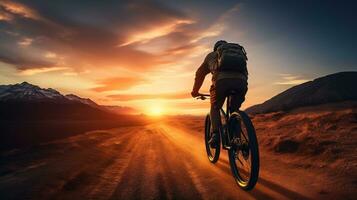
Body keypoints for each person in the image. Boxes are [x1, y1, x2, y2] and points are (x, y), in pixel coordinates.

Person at [191, 40, 248, 148]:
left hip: (221, 82)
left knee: (215, 107)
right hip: (241, 83)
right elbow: (245, 73)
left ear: (216, 49)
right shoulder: (238, 54)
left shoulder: (212, 55)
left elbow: (200, 74)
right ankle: (237, 138)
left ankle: (216, 135)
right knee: (234, 111)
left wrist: (195, 91)